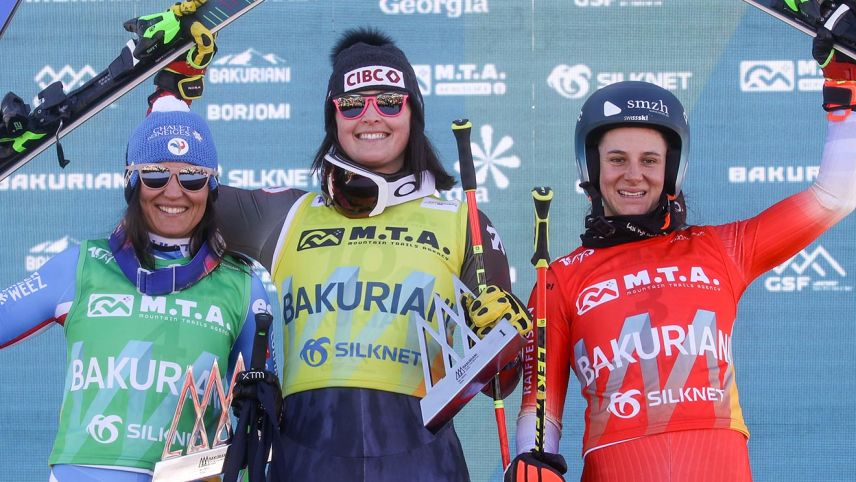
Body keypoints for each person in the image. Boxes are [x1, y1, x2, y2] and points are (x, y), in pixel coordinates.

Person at [146, 27, 533, 481]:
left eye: (389, 101)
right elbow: (173, 198)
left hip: (423, 466)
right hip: (306, 461)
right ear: (334, 117)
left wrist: (506, 337)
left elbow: (502, 382)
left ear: (413, 112)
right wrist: (170, 100)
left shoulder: (462, 220)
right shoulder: (288, 215)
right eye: (351, 104)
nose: (370, 116)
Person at [508, 39, 856, 482]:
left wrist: (844, 87)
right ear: (591, 167)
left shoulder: (721, 249)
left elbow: (836, 195)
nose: (634, 174)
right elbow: (540, 410)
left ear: (672, 168)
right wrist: (533, 461)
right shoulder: (559, 278)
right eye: (617, 159)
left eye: (650, 160)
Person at [0, 108, 273, 482]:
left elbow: (266, 423)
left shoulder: (241, 284)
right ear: (131, 181)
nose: (174, 192)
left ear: (211, 188)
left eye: (192, 177)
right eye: (155, 175)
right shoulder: (81, 265)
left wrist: (259, 413)